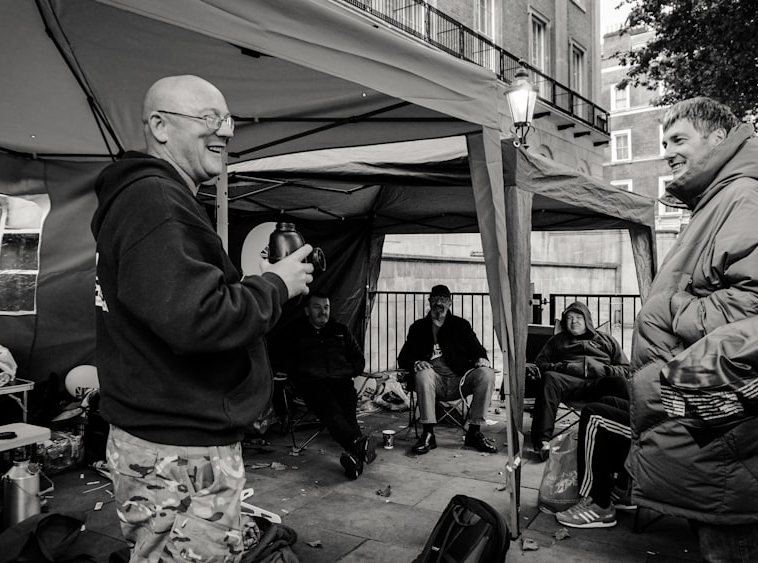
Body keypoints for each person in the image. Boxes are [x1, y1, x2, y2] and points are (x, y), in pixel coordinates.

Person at [92, 75, 314, 563]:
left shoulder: (151, 201)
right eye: (209, 119)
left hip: (160, 441)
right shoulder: (155, 201)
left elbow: (180, 305)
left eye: (228, 120)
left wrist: (262, 287)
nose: (226, 132)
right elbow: (197, 320)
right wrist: (276, 284)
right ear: (159, 126)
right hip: (178, 449)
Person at [629, 97, 758, 562]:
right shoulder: (720, 199)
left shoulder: (741, 195)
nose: (667, 150)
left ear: (719, 138)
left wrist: (670, 309)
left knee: (728, 548)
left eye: (679, 139)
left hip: (726, 433)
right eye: (665, 141)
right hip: (712, 427)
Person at [271, 292, 376, 480]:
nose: (323, 312)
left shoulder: (340, 330)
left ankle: (355, 455)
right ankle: (357, 446)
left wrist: (347, 370)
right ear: (307, 310)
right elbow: (282, 359)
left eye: (326, 307)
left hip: (341, 381)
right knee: (331, 410)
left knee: (347, 410)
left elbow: (359, 360)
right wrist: (299, 371)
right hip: (311, 383)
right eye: (317, 307)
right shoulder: (295, 332)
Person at [397, 284, 498, 455]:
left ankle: (474, 431)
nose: (439, 303)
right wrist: (416, 362)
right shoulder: (418, 328)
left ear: (450, 303)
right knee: (423, 373)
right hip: (433, 383)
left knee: (486, 374)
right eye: (435, 299)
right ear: (429, 302)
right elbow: (403, 358)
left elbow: (478, 349)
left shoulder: (461, 325)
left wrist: (482, 358)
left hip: (460, 381)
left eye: (443, 300)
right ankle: (428, 433)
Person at [525, 302, 630, 460]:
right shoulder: (557, 340)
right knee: (549, 379)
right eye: (569, 318)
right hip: (569, 382)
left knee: (620, 383)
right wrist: (565, 367)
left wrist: (605, 370)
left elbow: (627, 369)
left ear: (587, 319)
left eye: (578, 317)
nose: (574, 321)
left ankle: (631, 433)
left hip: (599, 383)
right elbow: (540, 365)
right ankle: (542, 442)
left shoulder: (606, 340)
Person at [552, 396, 633, 529]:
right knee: (608, 402)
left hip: (664, 427)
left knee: (593, 416)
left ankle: (598, 501)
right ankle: (620, 488)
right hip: (664, 417)